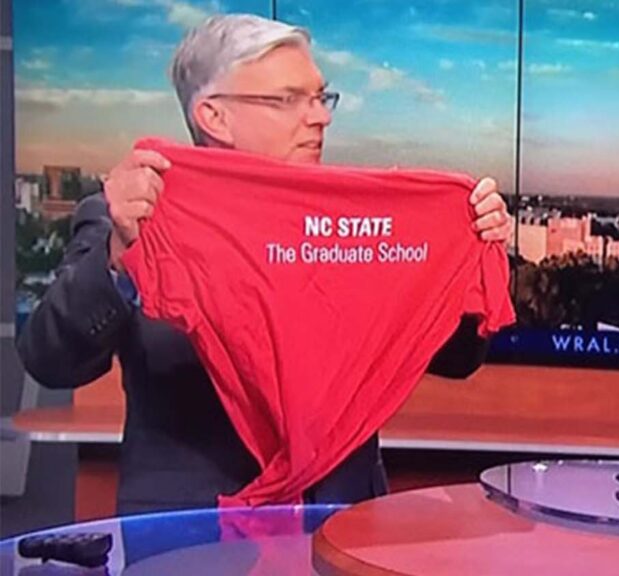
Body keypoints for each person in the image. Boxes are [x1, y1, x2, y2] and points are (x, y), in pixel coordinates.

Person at [17, 14, 514, 514]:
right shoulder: (129, 215)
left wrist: (470, 254)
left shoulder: (350, 224)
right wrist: (118, 259)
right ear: (215, 117)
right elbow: (49, 358)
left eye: (322, 98)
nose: (320, 117)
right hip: (190, 543)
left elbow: (457, 359)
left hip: (338, 532)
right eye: (289, 99)